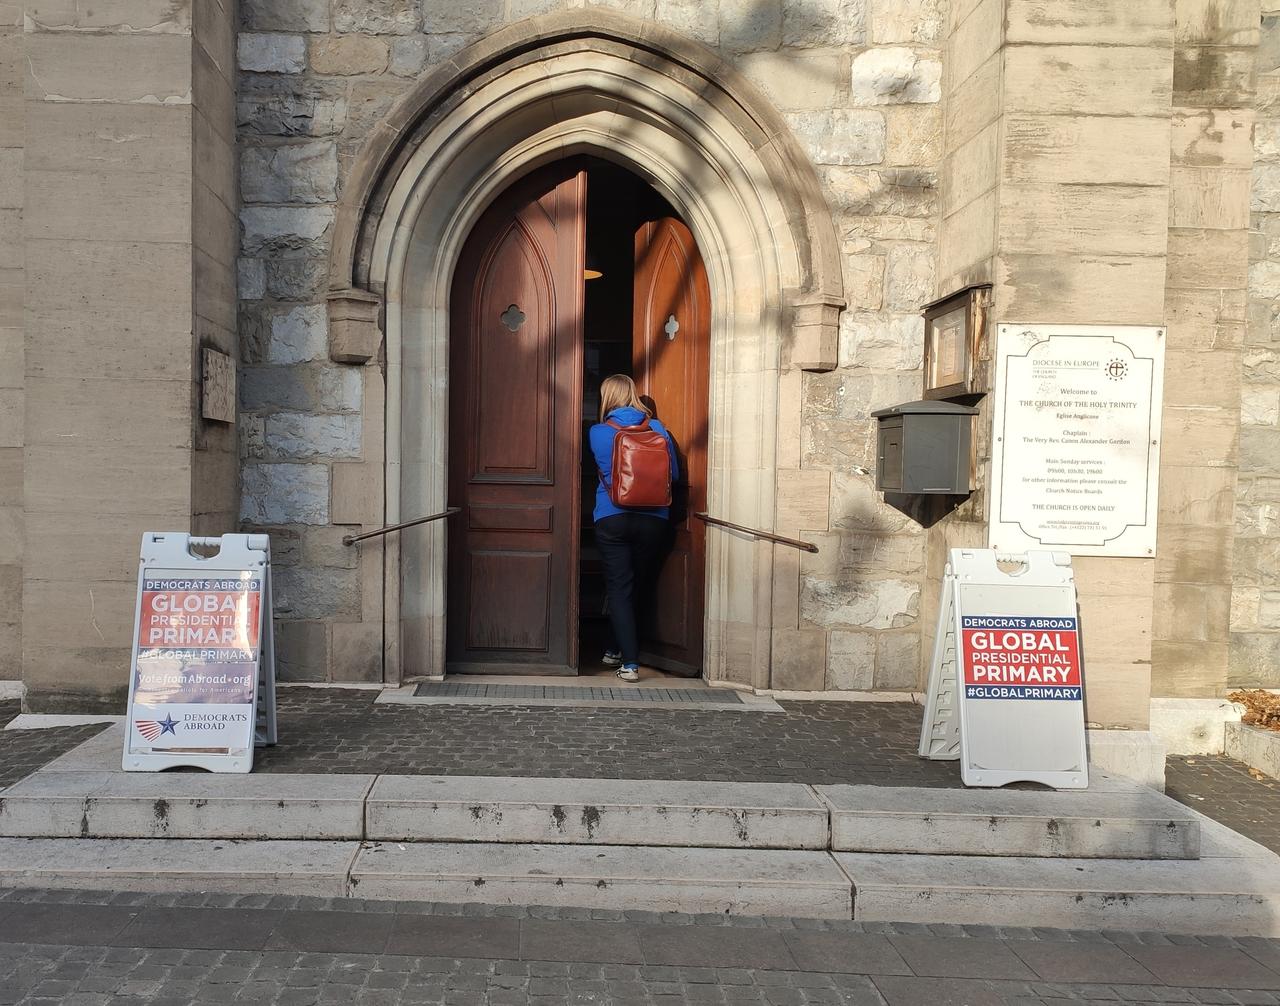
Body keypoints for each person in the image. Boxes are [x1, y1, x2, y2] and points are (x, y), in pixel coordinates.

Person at [589, 374, 678, 682]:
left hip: (612, 516)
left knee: (619, 587)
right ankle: (615, 648)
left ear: (607, 398)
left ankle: (629, 662)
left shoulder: (598, 431)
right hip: (654, 518)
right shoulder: (657, 429)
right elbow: (674, 474)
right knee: (637, 586)